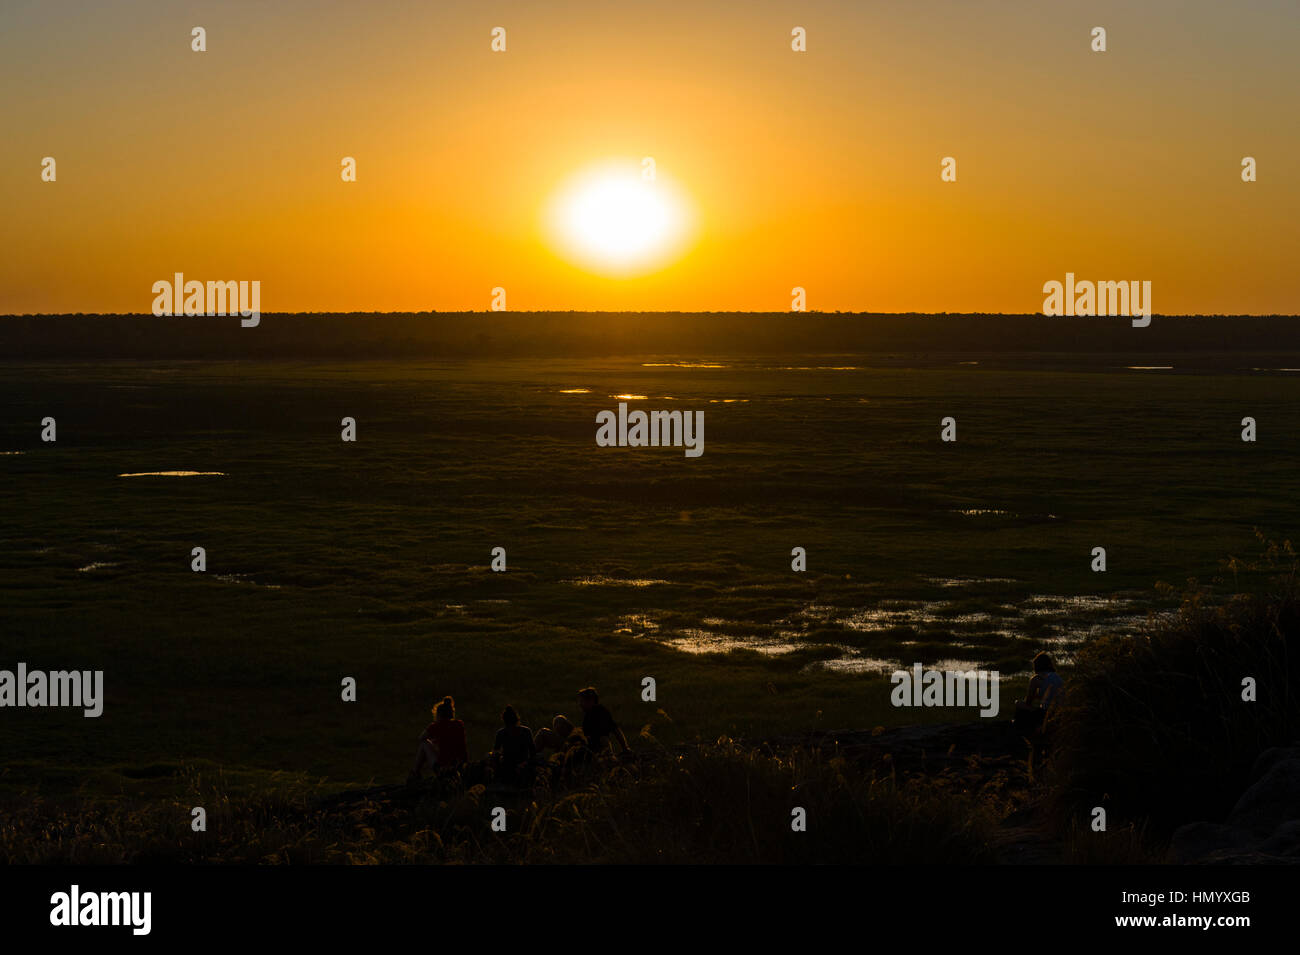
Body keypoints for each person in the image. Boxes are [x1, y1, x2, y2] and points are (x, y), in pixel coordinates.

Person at [409, 695, 468, 782]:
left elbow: (421, 737)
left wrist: (433, 743)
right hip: (460, 766)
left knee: (424, 744)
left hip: (443, 767)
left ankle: (415, 773)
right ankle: (415, 773)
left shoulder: (436, 726)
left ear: (438, 714)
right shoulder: (459, 725)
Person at [577, 687, 631, 756]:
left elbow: (614, 730)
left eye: (582, 701)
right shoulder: (588, 714)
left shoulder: (600, 712)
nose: (580, 704)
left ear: (591, 701)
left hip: (598, 751)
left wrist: (625, 748)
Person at [493, 705, 536, 785]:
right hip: (519, 764)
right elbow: (533, 752)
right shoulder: (526, 731)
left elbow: (496, 751)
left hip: (510, 766)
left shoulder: (501, 733)